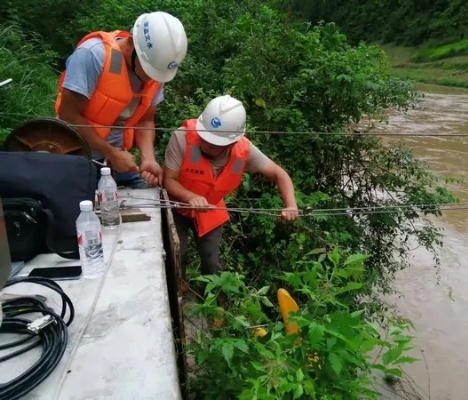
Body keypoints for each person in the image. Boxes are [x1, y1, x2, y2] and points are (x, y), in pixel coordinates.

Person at [163, 95, 299, 283]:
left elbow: (279, 174)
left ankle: (212, 304)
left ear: (231, 143)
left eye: (213, 143)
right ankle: (179, 292)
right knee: (177, 254)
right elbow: (168, 180)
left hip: (211, 208)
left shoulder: (244, 150)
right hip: (177, 206)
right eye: (204, 138)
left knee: (211, 261)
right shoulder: (182, 138)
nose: (205, 145)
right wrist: (189, 196)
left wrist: (290, 205)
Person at [55, 11, 188, 189]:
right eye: (149, 70)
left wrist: (148, 158)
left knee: (152, 199)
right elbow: (68, 115)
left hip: (116, 162)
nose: (152, 78)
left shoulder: (157, 70)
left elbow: (146, 119)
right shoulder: (92, 55)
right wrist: (110, 153)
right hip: (74, 156)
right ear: (132, 44)